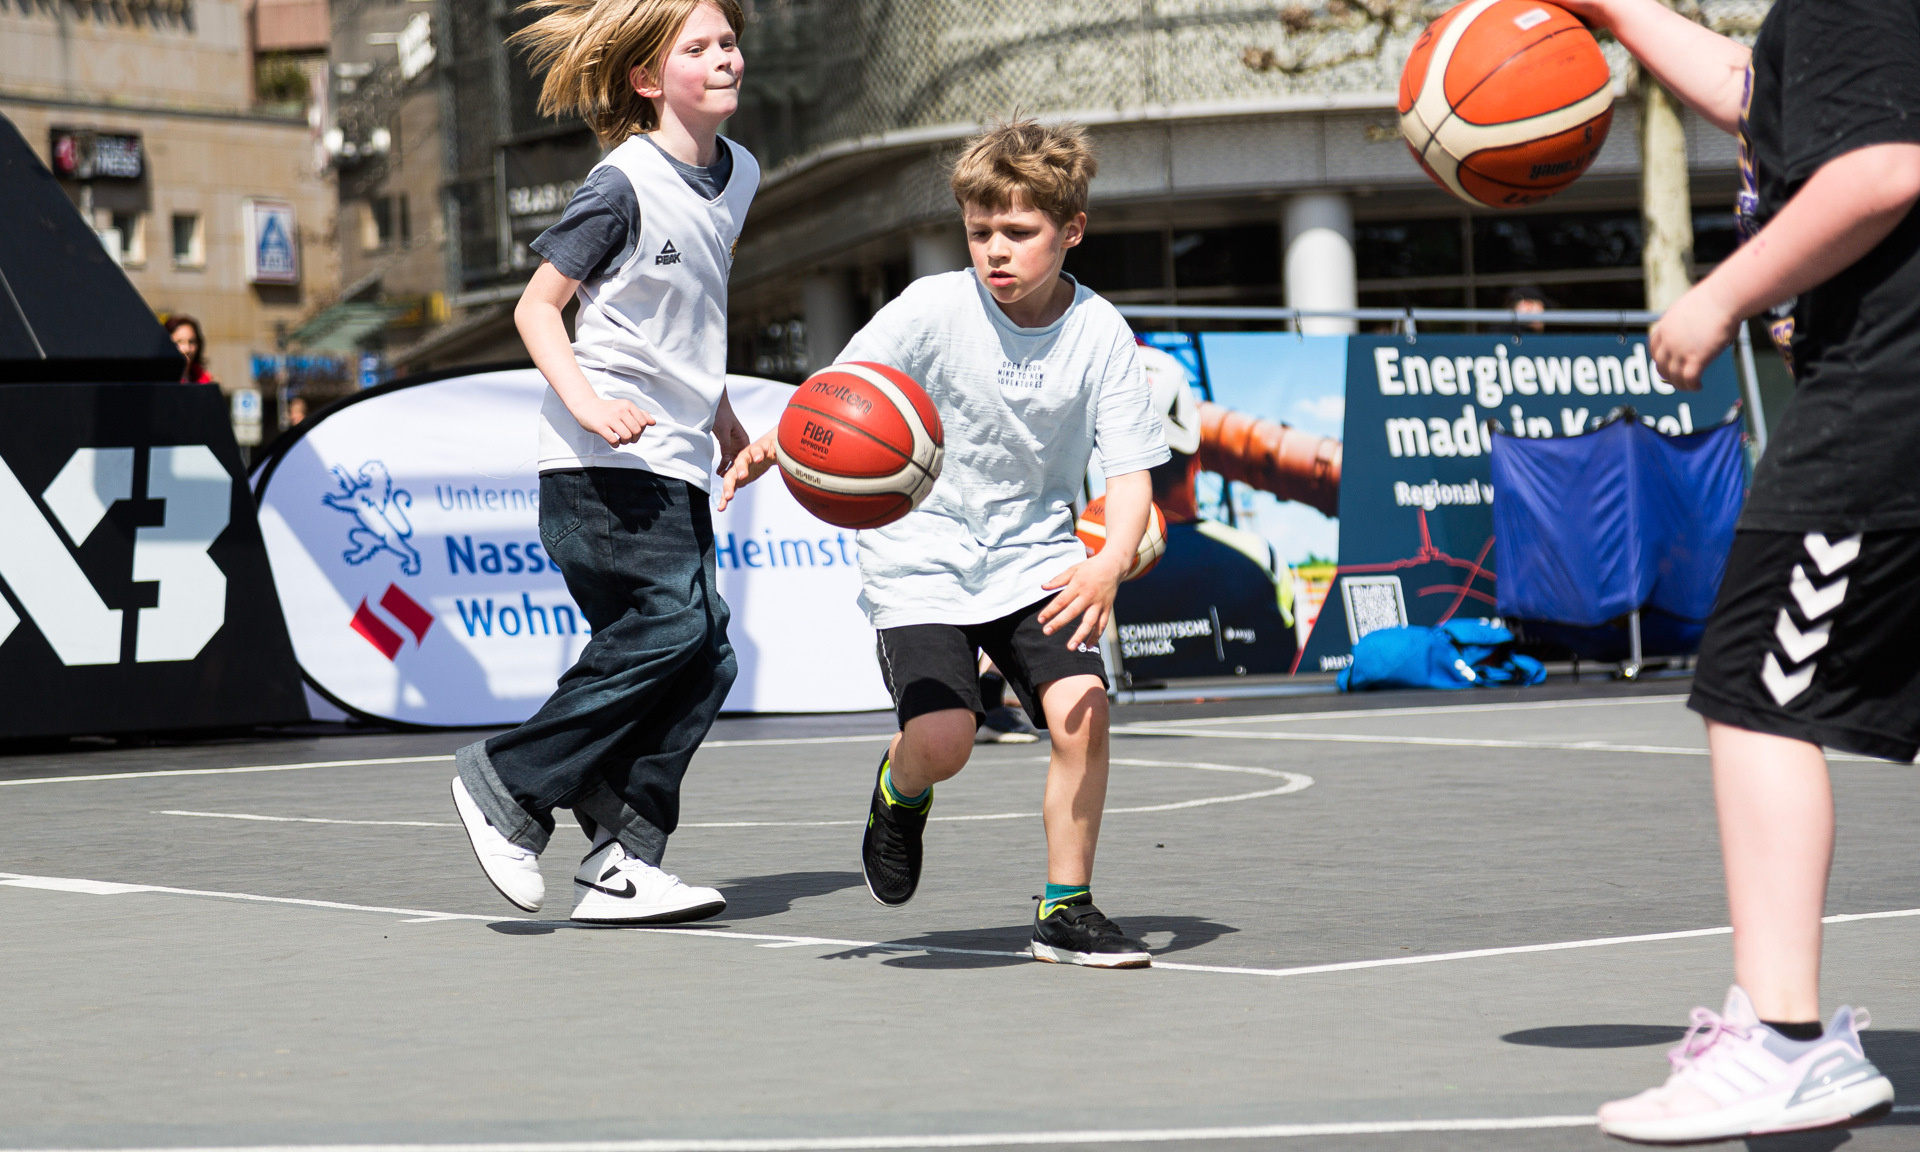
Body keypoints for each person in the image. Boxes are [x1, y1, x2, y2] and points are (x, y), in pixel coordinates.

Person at [1561, 0, 1917, 1141]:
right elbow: (1748, 87)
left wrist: (1723, 292)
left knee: (1757, 685)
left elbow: (1882, 168)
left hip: (1890, 396)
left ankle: (1784, 1042)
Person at [722, 119, 1169, 968]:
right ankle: (900, 792)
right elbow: (836, 398)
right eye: (979, 232)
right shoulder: (934, 304)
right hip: (919, 556)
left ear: (1072, 229)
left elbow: (1132, 470)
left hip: (1036, 557)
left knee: (1083, 714)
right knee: (946, 739)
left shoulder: (1101, 333)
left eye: (1018, 232)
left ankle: (1066, 908)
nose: (995, 251)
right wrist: (773, 444)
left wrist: (1110, 559)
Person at [447, 0, 760, 926]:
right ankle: (506, 781)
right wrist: (587, 402)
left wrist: (726, 416)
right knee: (674, 627)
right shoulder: (621, 183)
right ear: (647, 79)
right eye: (697, 48)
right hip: (597, 464)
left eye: (729, 42)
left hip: (674, 457)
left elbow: (690, 320)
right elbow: (540, 307)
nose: (723, 59)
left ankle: (624, 858)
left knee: (703, 658)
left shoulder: (739, 176)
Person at [167, 315, 214, 384]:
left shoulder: (204, 379)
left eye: (191, 342)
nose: (187, 349)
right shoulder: (159, 380)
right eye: (179, 342)